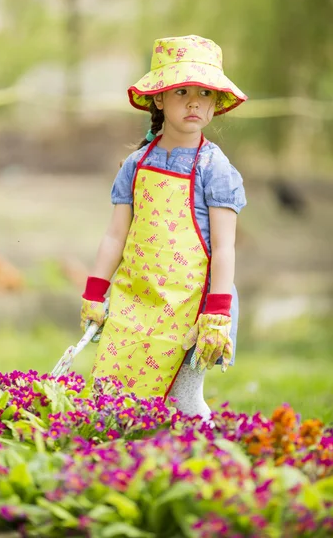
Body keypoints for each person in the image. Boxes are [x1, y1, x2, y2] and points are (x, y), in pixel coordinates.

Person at [80, 34, 247, 420]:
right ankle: (116, 466)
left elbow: (224, 248)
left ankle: (203, 465)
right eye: (182, 90)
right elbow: (114, 235)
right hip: (135, 300)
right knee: (110, 400)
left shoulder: (214, 169)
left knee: (183, 402)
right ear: (158, 98)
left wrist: (218, 312)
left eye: (205, 93)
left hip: (197, 308)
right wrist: (95, 292)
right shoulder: (135, 164)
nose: (194, 101)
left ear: (216, 102)